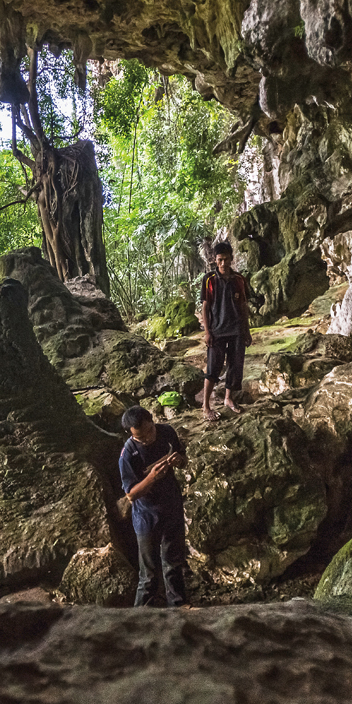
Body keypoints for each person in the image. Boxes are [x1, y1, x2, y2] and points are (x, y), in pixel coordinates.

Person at [116, 406, 191, 608]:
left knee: (173, 563)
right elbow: (131, 494)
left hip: (172, 505)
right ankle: (140, 618)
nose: (147, 439)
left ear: (152, 420)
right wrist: (151, 478)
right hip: (146, 516)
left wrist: (179, 461)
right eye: (140, 437)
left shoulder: (166, 432)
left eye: (150, 432)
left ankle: (178, 608)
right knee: (148, 573)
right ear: (131, 435)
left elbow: (183, 460)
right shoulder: (128, 454)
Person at [200, 241, 252, 422]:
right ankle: (206, 406)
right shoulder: (209, 280)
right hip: (217, 330)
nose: (223, 264)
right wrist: (207, 332)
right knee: (213, 367)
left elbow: (244, 306)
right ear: (215, 260)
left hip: (236, 329)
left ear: (231, 259)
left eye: (227, 260)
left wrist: (246, 330)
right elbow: (205, 308)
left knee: (235, 365)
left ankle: (228, 398)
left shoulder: (239, 280)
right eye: (220, 260)